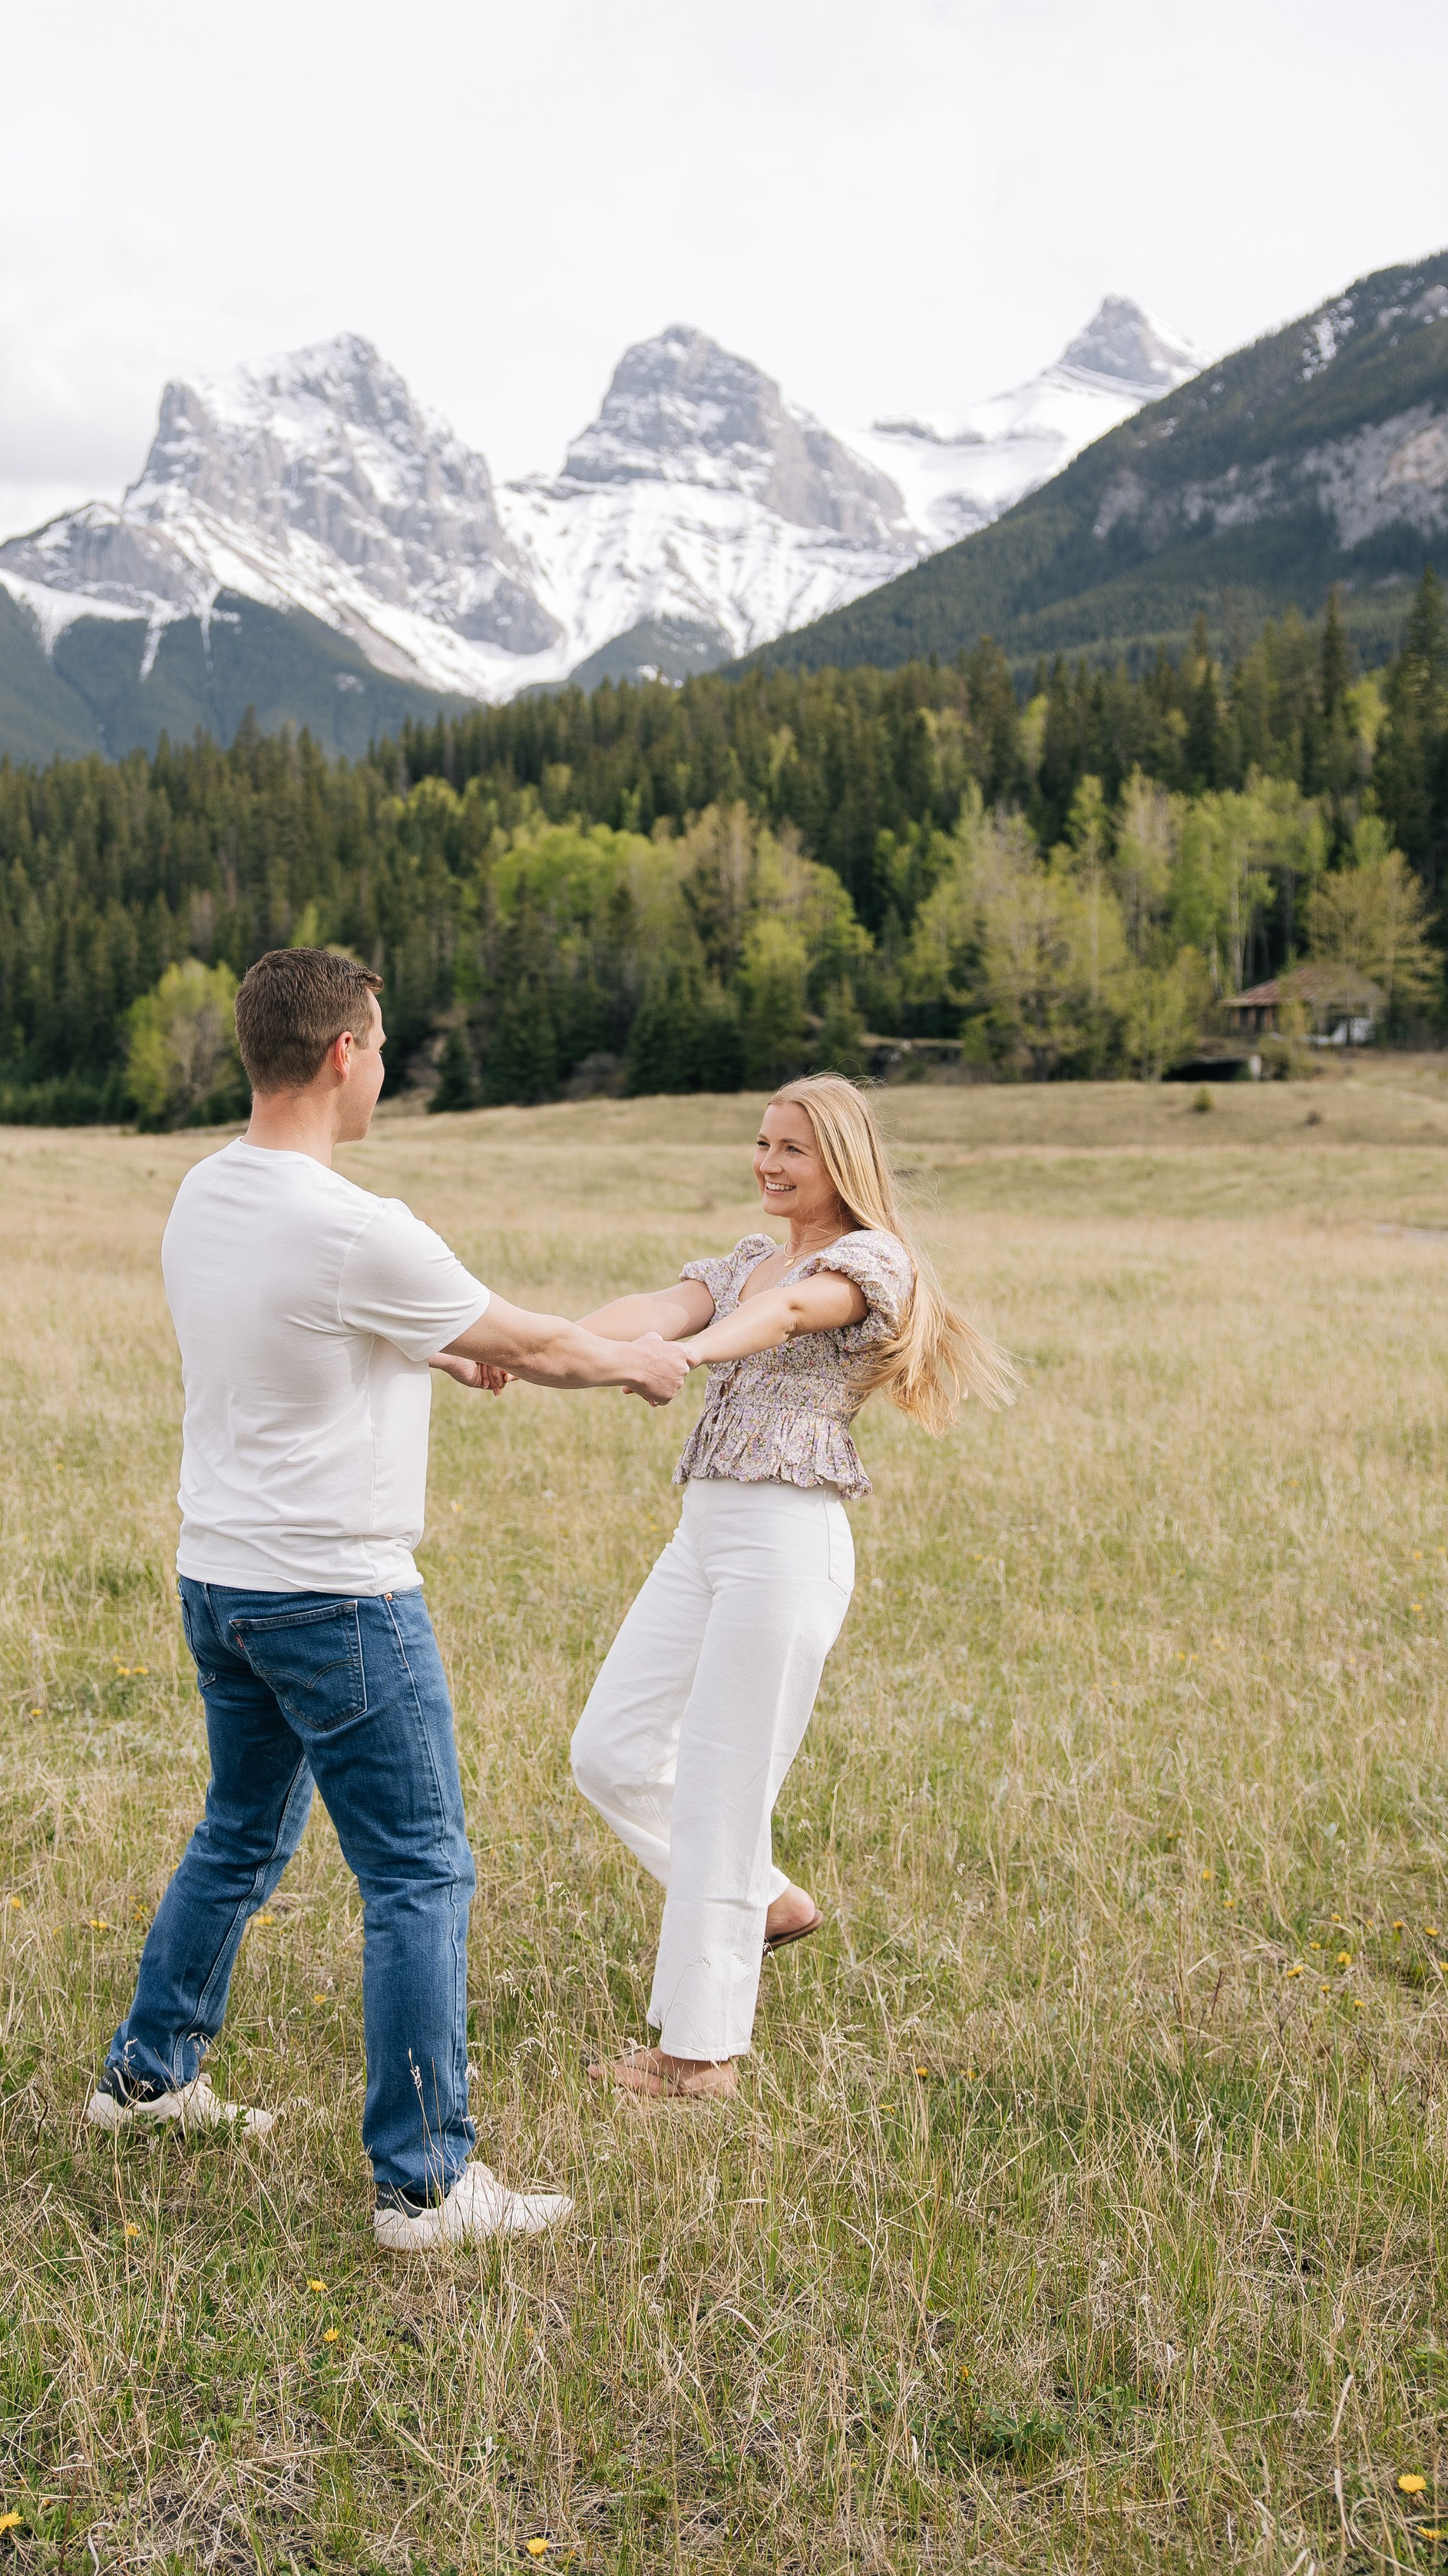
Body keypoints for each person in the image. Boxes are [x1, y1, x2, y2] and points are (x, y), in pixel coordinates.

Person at [90, 947, 693, 2248]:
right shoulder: (357, 1226)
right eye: (378, 1046)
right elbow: (537, 1343)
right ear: (340, 1057)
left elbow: (301, 1323)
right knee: (421, 1872)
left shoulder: (209, 1192)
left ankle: (149, 2078)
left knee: (240, 1834)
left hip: (224, 1579)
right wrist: (638, 1360)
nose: (382, 1068)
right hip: (337, 1599)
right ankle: (425, 2183)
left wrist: (424, 1342)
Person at [568, 1073, 1014, 2100]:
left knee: (725, 1791)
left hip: (785, 1540)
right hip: (707, 1533)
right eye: (763, 1143)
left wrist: (679, 1354)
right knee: (611, 1749)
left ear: (841, 1163)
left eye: (792, 1150)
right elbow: (659, 1303)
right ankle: (764, 1900)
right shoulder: (747, 1260)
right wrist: (550, 1346)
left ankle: (698, 2055)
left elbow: (779, 1320)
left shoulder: (868, 1263)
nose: (769, 1163)